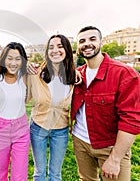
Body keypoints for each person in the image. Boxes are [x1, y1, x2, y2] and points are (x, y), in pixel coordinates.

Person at [71, 26, 140, 180]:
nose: (87, 44)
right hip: (80, 142)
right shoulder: (78, 74)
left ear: (101, 42)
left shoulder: (124, 74)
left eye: (92, 39)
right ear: (78, 47)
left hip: (111, 147)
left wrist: (115, 158)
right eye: (82, 41)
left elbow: (132, 120)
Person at [26, 34, 76, 181]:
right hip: (38, 127)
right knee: (39, 172)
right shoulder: (36, 74)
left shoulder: (74, 76)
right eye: (51, 47)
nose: (55, 50)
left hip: (60, 130)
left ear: (67, 50)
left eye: (60, 46)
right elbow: (24, 97)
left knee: (55, 174)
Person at [0, 42, 30, 181]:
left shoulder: (25, 76)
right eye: (9, 58)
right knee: (0, 172)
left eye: (18, 59)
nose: (13, 63)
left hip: (21, 129)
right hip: (0, 129)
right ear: (3, 59)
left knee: (19, 175)